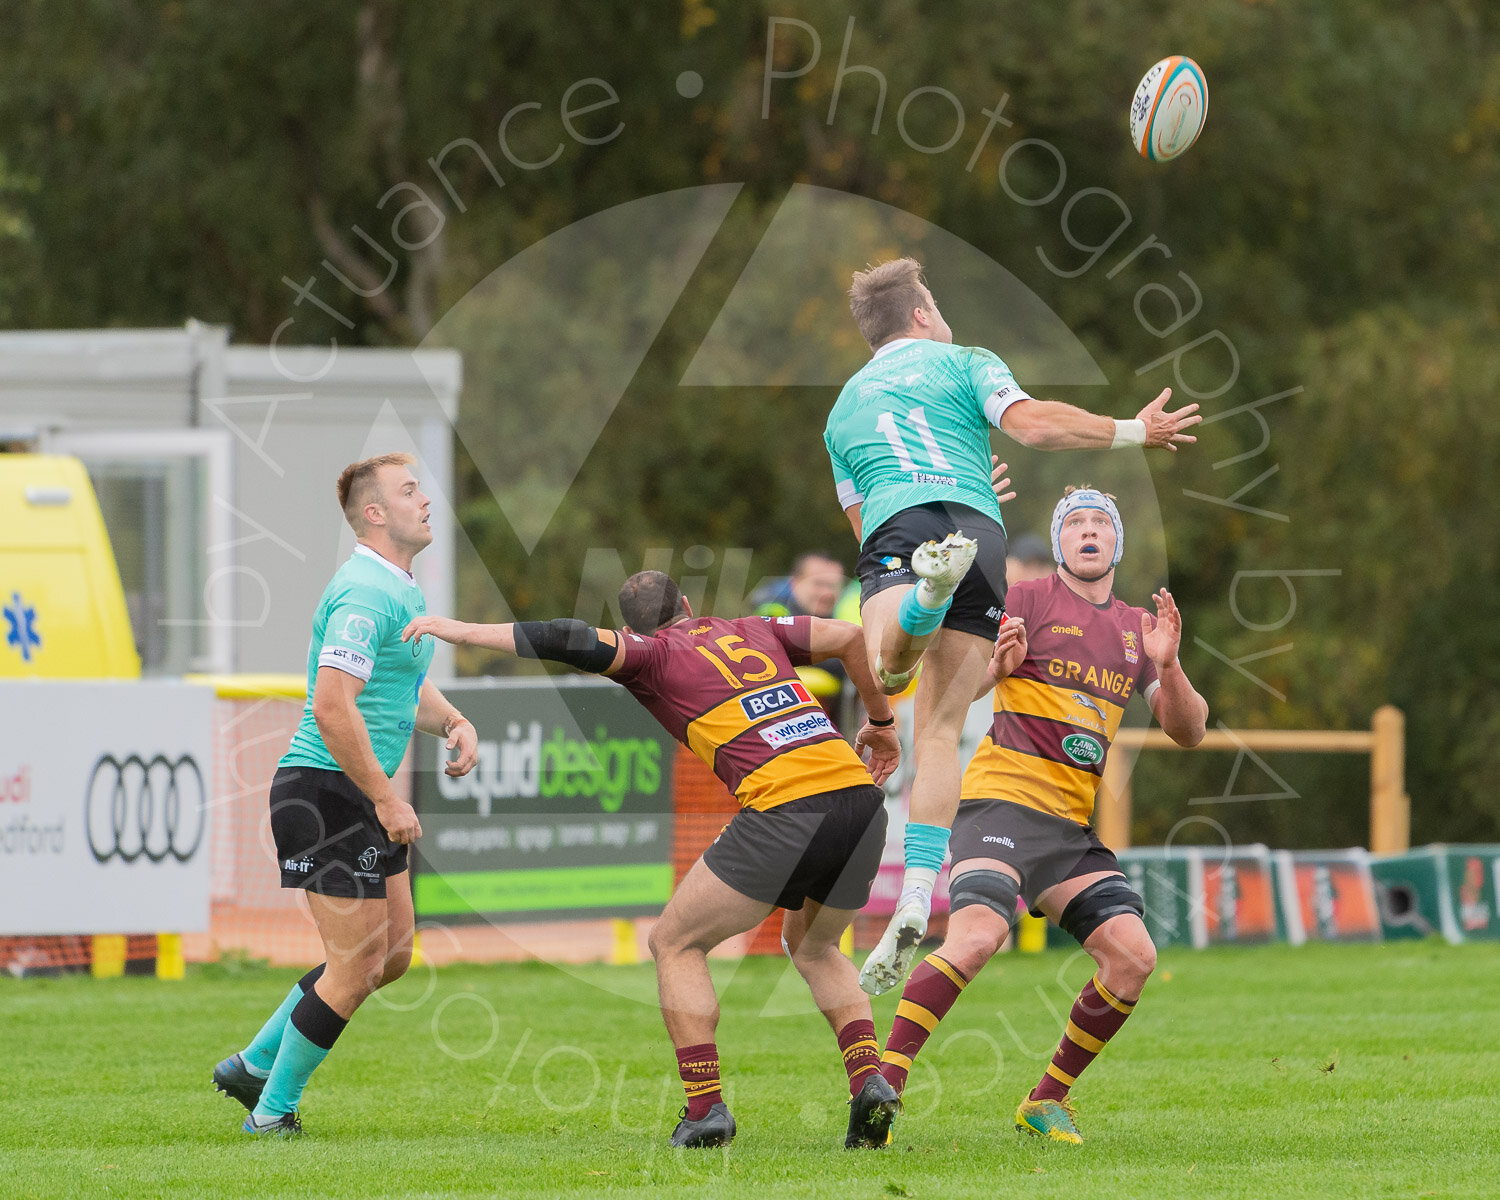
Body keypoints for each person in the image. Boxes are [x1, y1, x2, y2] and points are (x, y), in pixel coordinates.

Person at [402, 571, 906, 1151]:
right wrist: (882, 723)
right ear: (688, 604)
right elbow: (848, 635)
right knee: (815, 947)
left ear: (629, 626)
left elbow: (565, 636)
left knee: (675, 942)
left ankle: (705, 1108)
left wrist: (460, 629)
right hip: (860, 801)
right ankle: (869, 1081)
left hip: (787, 808)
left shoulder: (651, 653)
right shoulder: (753, 628)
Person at [824, 257, 1201, 994]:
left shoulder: (841, 412)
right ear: (921, 313)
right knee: (938, 731)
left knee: (891, 672)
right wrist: (1133, 429)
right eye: (936, 301)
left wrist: (909, 553)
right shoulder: (966, 361)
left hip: (901, 529)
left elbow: (865, 529)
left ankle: (923, 597)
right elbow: (1032, 425)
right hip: (979, 531)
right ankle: (916, 896)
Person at [877, 485, 1208, 1144]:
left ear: (1116, 542)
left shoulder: (1136, 628)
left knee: (1133, 958)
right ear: (1059, 541)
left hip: (1067, 830)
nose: (1088, 531)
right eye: (1075, 522)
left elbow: (1189, 730)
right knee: (976, 940)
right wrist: (995, 672)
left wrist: (1168, 666)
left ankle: (1045, 1099)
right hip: (1000, 804)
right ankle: (883, 1089)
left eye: (1100, 523)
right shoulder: (1023, 598)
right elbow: (946, 692)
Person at [211, 452, 478, 1137]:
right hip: (326, 791)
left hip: (355, 791)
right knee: (355, 966)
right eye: (410, 491)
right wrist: (386, 799)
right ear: (375, 514)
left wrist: (453, 720)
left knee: (391, 956)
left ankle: (253, 1064)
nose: (426, 500)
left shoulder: (399, 588)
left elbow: (401, 682)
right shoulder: (366, 591)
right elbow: (332, 706)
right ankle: (271, 1112)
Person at [753, 553, 850, 722]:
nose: (826, 593)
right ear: (795, 583)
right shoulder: (773, 612)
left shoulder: (845, 614)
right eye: (818, 584)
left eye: (833, 586)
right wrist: (842, 654)